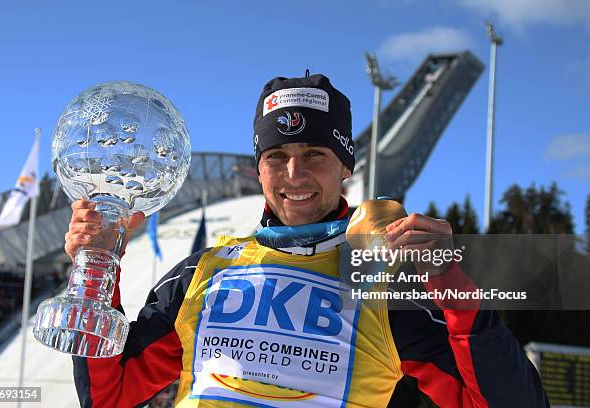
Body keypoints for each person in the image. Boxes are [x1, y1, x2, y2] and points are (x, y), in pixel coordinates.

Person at [66, 73, 549, 407]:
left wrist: (452, 285)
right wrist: (96, 268)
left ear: (345, 167)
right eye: (277, 156)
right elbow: (110, 394)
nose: (294, 174)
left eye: (314, 153)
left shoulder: (385, 290)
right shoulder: (204, 273)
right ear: (258, 169)